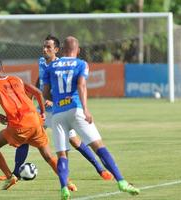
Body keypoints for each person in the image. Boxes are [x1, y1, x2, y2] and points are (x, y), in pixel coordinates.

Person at [0, 35, 112, 183]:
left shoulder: (61, 65)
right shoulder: (41, 62)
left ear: (56, 50)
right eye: (44, 46)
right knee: (25, 137)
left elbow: (68, 88)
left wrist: (53, 100)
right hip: (41, 111)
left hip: (59, 111)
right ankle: (15, 173)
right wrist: (31, 97)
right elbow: (41, 80)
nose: (45, 49)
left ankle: (100, 168)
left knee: (75, 141)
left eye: (48, 47)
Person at [43, 36, 140, 199]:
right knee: (99, 147)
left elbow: (45, 93)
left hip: (58, 114)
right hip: (76, 110)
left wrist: (57, 101)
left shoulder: (51, 66)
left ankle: (63, 188)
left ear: (63, 50)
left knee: (62, 155)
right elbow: (81, 85)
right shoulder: (81, 64)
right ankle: (121, 181)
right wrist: (86, 109)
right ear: (78, 50)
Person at [0, 58, 76, 191]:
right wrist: (43, 112)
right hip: (35, 120)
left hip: (18, 126)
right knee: (48, 156)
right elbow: (38, 93)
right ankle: (68, 182)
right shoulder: (17, 79)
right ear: (2, 68)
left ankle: (10, 176)